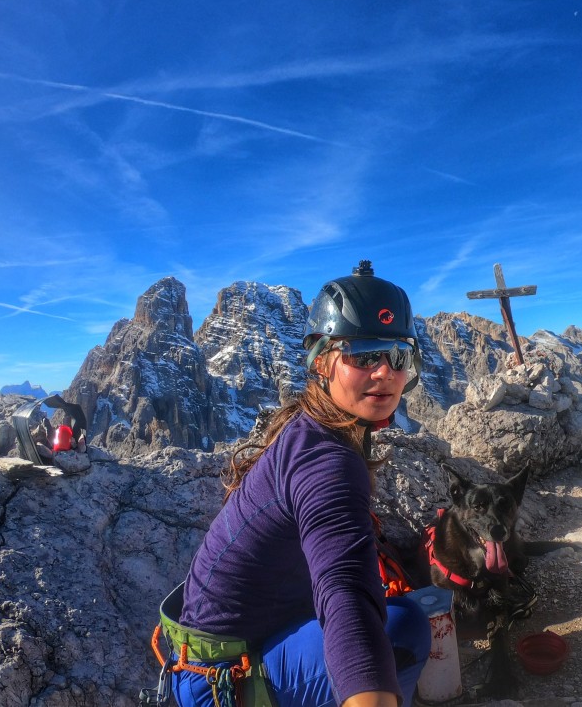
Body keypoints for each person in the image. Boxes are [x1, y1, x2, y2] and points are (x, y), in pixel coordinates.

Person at [169, 261, 431, 707]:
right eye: (364, 354)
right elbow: (345, 587)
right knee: (403, 627)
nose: (385, 372)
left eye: (399, 355)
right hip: (218, 682)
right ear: (322, 362)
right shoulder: (327, 460)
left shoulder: (309, 427)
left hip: (210, 652)